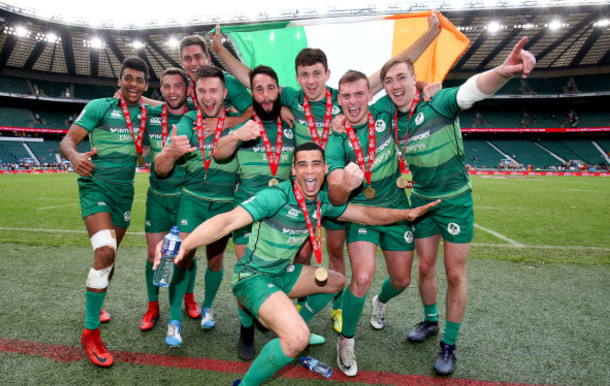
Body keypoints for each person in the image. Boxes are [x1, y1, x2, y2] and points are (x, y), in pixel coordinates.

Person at [155, 143, 439, 386]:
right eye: (302, 164)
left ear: (325, 169)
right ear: (293, 170)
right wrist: (186, 244)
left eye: (316, 163)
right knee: (296, 340)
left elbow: (366, 215)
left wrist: (405, 215)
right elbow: (228, 220)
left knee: (337, 282)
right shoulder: (275, 196)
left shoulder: (323, 202)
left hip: (282, 274)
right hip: (252, 278)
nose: (309, 170)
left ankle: (295, 322)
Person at [211, 14, 440, 334]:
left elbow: (391, 69)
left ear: (326, 73)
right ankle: (289, 304)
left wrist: (431, 34)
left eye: (317, 74)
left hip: (338, 189)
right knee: (304, 250)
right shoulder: (291, 97)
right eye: (304, 75)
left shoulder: (345, 99)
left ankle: (335, 307)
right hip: (304, 190)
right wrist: (222, 52)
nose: (311, 81)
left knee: (335, 251)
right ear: (298, 77)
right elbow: (255, 80)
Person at [375, 37, 536, 375]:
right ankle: (430, 321)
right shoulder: (390, 116)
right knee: (424, 268)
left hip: (455, 201)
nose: (395, 86)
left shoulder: (440, 102)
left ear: (413, 78)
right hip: (421, 203)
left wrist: (503, 72)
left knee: (454, 272)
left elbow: (473, 89)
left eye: (402, 77)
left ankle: (449, 344)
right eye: (388, 81)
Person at [59, 57, 151, 367]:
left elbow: (150, 146)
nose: (133, 84)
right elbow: (68, 141)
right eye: (128, 78)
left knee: (108, 259)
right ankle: (91, 333)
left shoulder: (149, 115)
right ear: (120, 80)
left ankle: (96, 305)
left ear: (146, 85)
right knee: (106, 253)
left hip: (124, 193)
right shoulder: (100, 106)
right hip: (95, 185)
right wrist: (74, 157)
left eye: (139, 80)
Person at [325, 70, 416, 377]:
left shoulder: (385, 110)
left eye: (359, 94)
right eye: (346, 96)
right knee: (362, 277)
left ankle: (381, 301)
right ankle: (346, 340)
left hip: (394, 210)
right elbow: (336, 196)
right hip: (362, 213)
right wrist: (344, 185)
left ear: (370, 94)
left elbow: (407, 83)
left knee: (402, 280)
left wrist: (431, 87)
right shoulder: (335, 137)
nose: (353, 102)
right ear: (339, 99)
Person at [213, 65, 297, 360]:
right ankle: (246, 329)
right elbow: (219, 152)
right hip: (247, 213)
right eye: (258, 89)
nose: (264, 95)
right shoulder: (246, 125)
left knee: (280, 273)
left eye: (270, 88)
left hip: (283, 215)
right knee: (247, 275)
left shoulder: (292, 123)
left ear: (279, 91)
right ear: (253, 94)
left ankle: (277, 317)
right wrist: (236, 134)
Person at [154, 65, 237, 345]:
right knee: (182, 256)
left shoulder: (236, 123)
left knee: (215, 260)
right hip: (192, 201)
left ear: (225, 93)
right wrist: (171, 150)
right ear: (195, 93)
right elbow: (161, 167)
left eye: (214, 90)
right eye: (201, 91)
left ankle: (208, 305)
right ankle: (174, 320)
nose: (208, 96)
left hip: (224, 205)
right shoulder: (189, 120)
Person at [140, 67, 199, 334]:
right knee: (154, 254)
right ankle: (153, 306)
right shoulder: (150, 116)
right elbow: (139, 151)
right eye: (167, 87)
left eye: (178, 86)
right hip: (158, 197)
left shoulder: (198, 118)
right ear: (160, 90)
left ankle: (188, 297)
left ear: (188, 89)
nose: (173, 91)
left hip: (188, 197)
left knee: (186, 255)